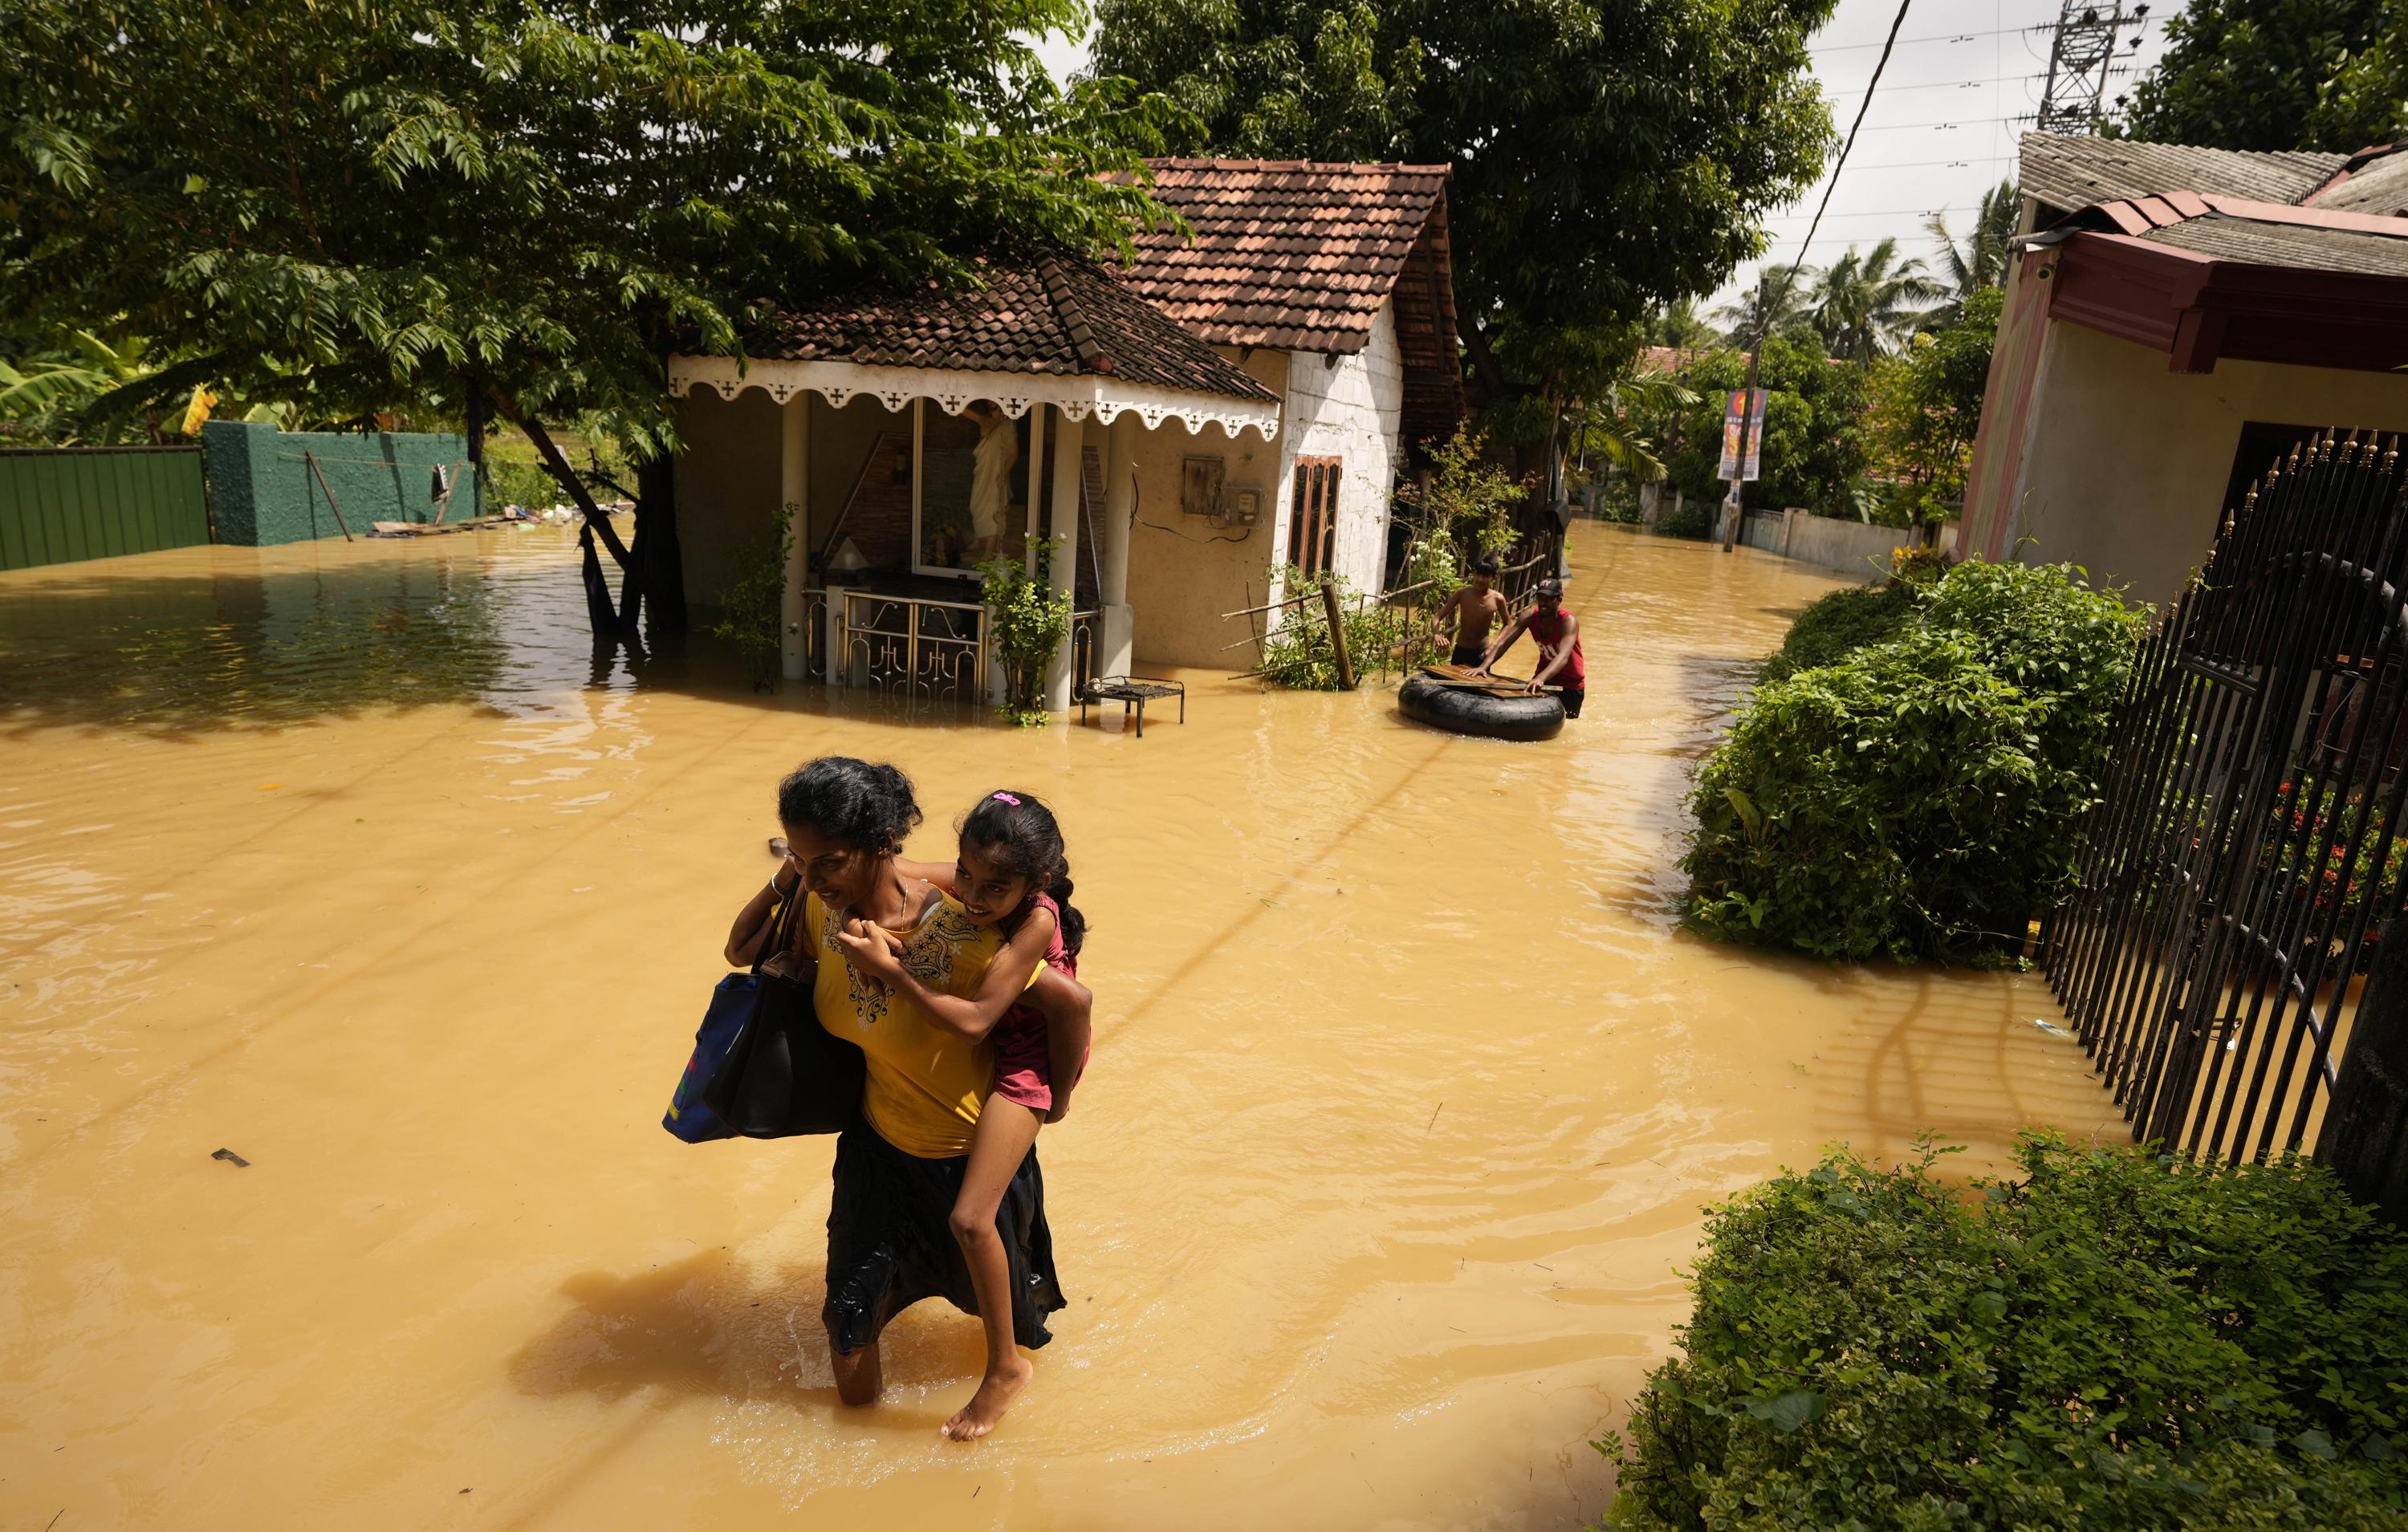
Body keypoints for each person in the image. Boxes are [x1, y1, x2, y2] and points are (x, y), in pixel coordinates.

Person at [721, 758, 1090, 1441]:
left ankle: (1003, 1376)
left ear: (881, 843)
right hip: (874, 1148)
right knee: (848, 1327)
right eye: (803, 860)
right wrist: (790, 887)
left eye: (827, 860)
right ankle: (852, 1452)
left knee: (1001, 1310)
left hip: (960, 1156)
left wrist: (1057, 1100)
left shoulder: (970, 934)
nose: (814, 877)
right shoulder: (817, 908)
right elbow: (740, 948)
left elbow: (1070, 1005)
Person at [836, 789, 1088, 1440]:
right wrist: (816, 864)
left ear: (1037, 881)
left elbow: (980, 1021)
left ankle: (1006, 1368)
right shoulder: (979, 875)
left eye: (992, 888)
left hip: (1024, 1064)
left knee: (971, 1218)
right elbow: (907, 872)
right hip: (997, 1044)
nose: (972, 897)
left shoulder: (1035, 920)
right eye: (967, 874)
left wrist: (1058, 1096)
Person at [1474, 576, 1586, 718]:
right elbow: (1505, 642)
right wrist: (1483, 666)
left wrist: (1540, 678)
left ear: (1559, 600)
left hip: (1570, 684)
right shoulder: (1530, 616)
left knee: (1568, 722)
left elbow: (1563, 656)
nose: (1543, 603)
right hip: (1546, 677)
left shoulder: (1568, 621)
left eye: (1549, 599)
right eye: (1540, 598)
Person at [1430, 551, 1509, 668]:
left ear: (1494, 578)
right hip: (1460, 650)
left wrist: (1494, 646)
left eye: (1485, 576)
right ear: (1473, 574)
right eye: (1478, 574)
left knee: (1478, 685)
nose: (1480, 579)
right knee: (1455, 684)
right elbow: (1436, 617)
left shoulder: (1498, 599)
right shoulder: (1462, 594)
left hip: (1482, 653)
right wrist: (1437, 634)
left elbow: (1508, 624)